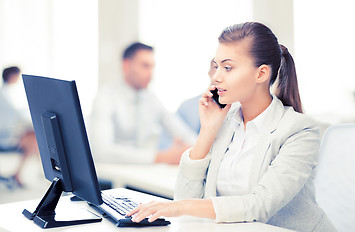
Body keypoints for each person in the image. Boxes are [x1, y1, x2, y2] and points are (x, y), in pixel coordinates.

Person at [127, 22, 336, 232]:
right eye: (216, 66)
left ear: (261, 74)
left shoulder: (300, 130)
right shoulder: (225, 122)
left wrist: (177, 207)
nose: (216, 76)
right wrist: (207, 131)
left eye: (228, 67)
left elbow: (259, 205)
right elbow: (186, 198)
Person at [90, 42, 198, 165]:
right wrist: (161, 157)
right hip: (110, 177)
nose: (150, 74)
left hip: (141, 174)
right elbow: (101, 152)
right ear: (126, 66)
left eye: (152, 67)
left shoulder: (151, 99)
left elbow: (182, 132)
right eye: (145, 66)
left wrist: (200, 150)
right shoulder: (105, 97)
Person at [159, 59, 218, 149]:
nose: (220, 74)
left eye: (227, 68)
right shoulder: (186, 107)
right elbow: (165, 143)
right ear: (209, 72)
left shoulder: (238, 110)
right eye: (216, 68)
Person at [0, 66, 38, 187]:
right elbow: (17, 115)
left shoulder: (6, 92)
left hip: (8, 131)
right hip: (4, 135)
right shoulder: (4, 94)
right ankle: (17, 174)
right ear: (11, 76)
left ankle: (19, 173)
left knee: (34, 138)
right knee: (34, 139)